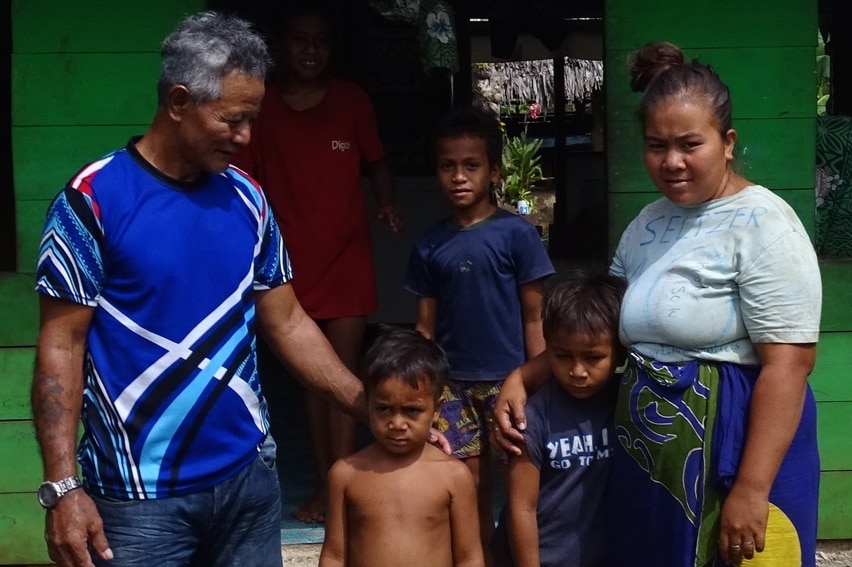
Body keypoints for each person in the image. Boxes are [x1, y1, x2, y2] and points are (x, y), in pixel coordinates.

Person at [30, 12, 371, 567]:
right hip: (137, 503)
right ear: (180, 102)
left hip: (249, 485)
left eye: (252, 120)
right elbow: (60, 348)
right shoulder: (91, 202)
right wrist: (62, 489)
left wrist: (366, 404)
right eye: (233, 120)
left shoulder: (248, 200)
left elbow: (287, 322)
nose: (245, 137)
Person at [493, 41, 822, 567]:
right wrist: (526, 377)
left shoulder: (766, 225)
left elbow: (790, 365)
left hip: (734, 455)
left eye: (690, 144)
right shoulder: (648, 224)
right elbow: (601, 328)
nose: (672, 162)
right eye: (656, 145)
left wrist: (751, 489)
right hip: (654, 464)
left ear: (728, 141)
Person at [232, 2, 401, 524]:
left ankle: (348, 492)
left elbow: (376, 162)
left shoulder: (352, 101)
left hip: (347, 257)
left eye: (321, 40)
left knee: (343, 375)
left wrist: (386, 201)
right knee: (312, 381)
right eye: (300, 38)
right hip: (290, 265)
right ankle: (329, 488)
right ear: (281, 46)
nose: (310, 50)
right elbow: (243, 182)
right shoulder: (264, 109)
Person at [404, 105, 555, 563]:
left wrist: (538, 382)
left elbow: (534, 319)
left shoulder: (517, 235)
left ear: (494, 170)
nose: (459, 177)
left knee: (520, 477)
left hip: (509, 382)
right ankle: (481, 556)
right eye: (447, 166)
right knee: (468, 483)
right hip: (452, 384)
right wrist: (421, 390)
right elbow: (424, 328)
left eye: (471, 165)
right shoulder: (429, 244)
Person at [491, 271, 626, 567]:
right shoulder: (532, 417)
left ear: (619, 353)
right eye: (563, 356)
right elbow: (521, 508)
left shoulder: (625, 405)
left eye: (593, 358)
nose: (577, 371)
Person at [319, 326, 485, 567]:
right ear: (368, 403)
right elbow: (334, 555)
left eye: (412, 411)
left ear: (437, 409)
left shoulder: (454, 476)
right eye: (384, 409)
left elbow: (469, 557)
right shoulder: (345, 474)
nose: (397, 423)